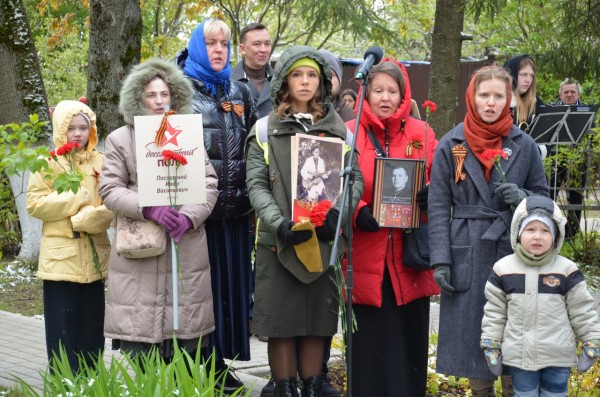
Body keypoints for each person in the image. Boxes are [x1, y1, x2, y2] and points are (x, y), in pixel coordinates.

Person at [245, 45, 363, 397]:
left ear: (322, 83)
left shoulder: (339, 130)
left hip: (322, 243)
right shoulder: (265, 129)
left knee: (316, 322)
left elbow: (352, 180)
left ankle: (313, 386)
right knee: (282, 322)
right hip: (278, 241)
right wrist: (279, 222)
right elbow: (256, 182)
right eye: (297, 74)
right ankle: (284, 388)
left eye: (312, 75)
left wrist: (336, 218)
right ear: (284, 81)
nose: (305, 81)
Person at [428, 65, 549, 397]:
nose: (491, 102)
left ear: (509, 99)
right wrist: (440, 259)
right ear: (472, 96)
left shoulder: (523, 145)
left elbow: (545, 199)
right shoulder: (450, 143)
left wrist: (523, 198)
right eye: (484, 95)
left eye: (498, 96)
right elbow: (438, 204)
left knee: (514, 340)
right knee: (473, 343)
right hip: (466, 250)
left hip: (512, 252)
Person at [99, 59, 218, 366]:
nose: (159, 100)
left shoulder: (188, 135)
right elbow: (110, 189)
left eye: (164, 94)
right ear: (138, 97)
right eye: (151, 94)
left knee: (184, 356)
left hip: (185, 246)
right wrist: (147, 206)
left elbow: (208, 182)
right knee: (145, 360)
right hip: (142, 254)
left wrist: (188, 216)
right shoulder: (120, 139)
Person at [345, 59, 439, 397]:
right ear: (366, 93)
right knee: (369, 343)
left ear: (403, 95)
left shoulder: (422, 133)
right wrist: (357, 211)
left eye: (392, 91)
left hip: (408, 255)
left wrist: (431, 193)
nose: (385, 97)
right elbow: (335, 186)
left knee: (408, 339)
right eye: (378, 90)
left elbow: (438, 179)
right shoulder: (350, 132)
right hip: (367, 253)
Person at [176, 18, 258, 392]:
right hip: (198, 217)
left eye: (224, 44)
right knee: (200, 296)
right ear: (197, 46)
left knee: (229, 293)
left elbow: (254, 148)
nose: (218, 50)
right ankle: (195, 365)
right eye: (211, 43)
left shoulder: (239, 92)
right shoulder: (179, 92)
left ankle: (219, 363)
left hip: (235, 214)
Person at [481, 195, 600, 396]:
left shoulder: (566, 270)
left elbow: (582, 311)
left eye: (545, 230)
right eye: (530, 229)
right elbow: (495, 313)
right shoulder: (503, 269)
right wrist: (491, 344)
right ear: (518, 233)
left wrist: (592, 341)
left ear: (556, 235)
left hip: (558, 357)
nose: (538, 236)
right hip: (521, 359)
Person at [27, 99, 113, 373]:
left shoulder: (101, 161)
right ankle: (64, 384)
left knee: (92, 331)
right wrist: (75, 198)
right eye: (71, 128)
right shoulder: (48, 163)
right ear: (60, 129)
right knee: (62, 332)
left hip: (94, 261)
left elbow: (111, 201)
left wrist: (94, 218)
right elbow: (36, 204)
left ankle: (91, 382)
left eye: (83, 127)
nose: (78, 134)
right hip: (60, 264)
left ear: (92, 129)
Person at [550, 78, 588, 238]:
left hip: (579, 160)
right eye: (566, 92)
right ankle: (549, 230)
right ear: (560, 94)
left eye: (573, 92)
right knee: (549, 194)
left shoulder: (587, 109)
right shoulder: (550, 109)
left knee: (575, 197)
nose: (570, 95)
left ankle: (572, 234)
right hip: (554, 159)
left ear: (578, 93)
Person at [233, 22, 274, 118]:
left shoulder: (281, 82)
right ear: (242, 49)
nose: (263, 49)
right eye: (257, 44)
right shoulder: (228, 83)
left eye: (267, 44)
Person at [504, 54, 544, 137]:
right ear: (511, 75)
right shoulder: (502, 102)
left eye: (531, 76)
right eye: (524, 75)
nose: (528, 80)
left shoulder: (537, 102)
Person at [318, 49, 355, 122]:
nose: (326, 79)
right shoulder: (293, 114)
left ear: (339, 80)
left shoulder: (351, 119)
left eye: (331, 74)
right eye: (320, 75)